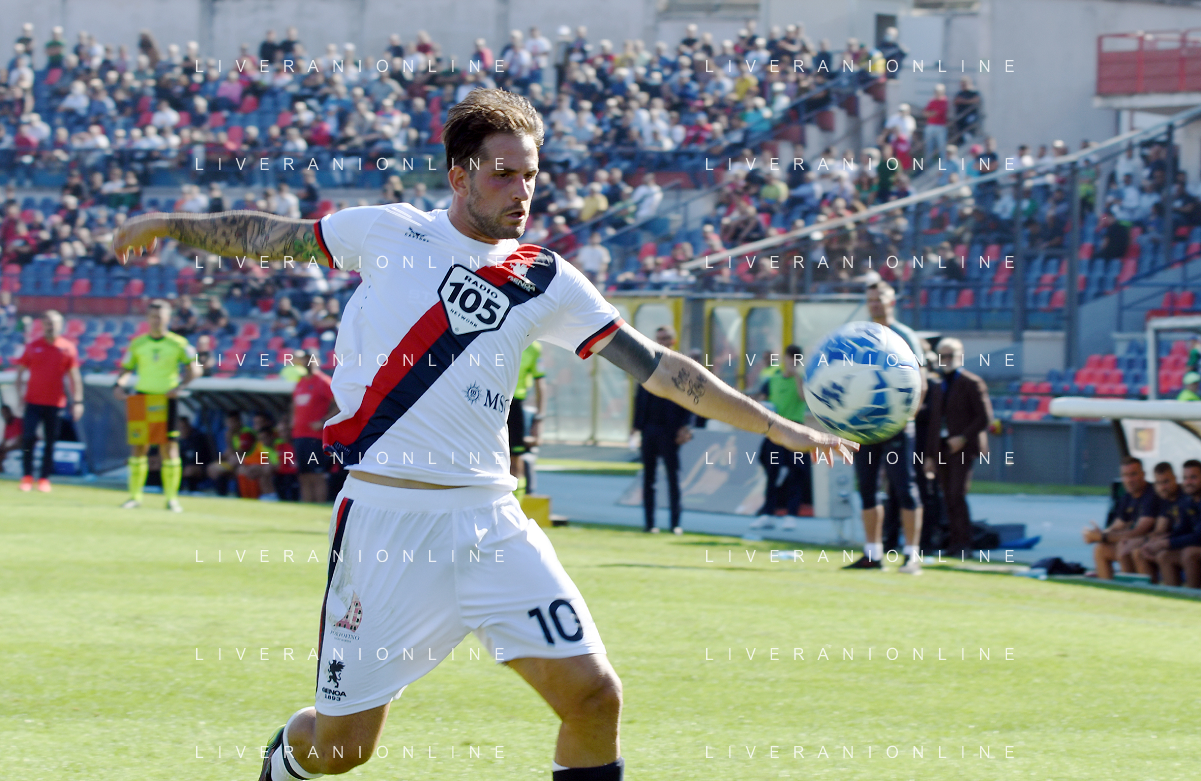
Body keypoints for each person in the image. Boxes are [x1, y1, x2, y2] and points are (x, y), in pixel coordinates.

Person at [112, 86, 856, 781]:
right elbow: (273, 238)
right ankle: (285, 761)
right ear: (459, 175)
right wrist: (172, 225)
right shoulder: (388, 230)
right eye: (504, 174)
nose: (522, 190)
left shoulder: (546, 278)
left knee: (594, 696)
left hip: (491, 521)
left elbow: (659, 368)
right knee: (342, 749)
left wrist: (776, 426)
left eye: (530, 175)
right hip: (387, 522)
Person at [845, 281, 927, 573]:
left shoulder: (904, 336)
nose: (875, 304)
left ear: (892, 301)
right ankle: (873, 553)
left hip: (896, 424)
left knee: (905, 488)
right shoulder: (861, 336)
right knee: (867, 488)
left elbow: (921, 381)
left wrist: (907, 417)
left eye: (879, 298)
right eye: (870, 299)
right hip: (866, 424)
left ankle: (912, 555)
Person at [112, 300, 197, 512]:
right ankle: (135, 497)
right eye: (152, 316)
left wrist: (181, 386)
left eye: (160, 317)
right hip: (142, 398)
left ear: (168, 318)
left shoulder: (179, 343)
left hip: (166, 399)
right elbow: (126, 369)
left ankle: (172, 499)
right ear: (147, 318)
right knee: (139, 447)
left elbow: (195, 369)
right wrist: (119, 385)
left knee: (169, 448)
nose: (156, 320)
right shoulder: (137, 344)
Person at [922, 337, 993, 556]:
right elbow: (934, 422)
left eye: (950, 355)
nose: (946, 359)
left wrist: (963, 437)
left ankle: (964, 543)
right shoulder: (937, 385)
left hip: (963, 448)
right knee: (946, 496)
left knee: (956, 494)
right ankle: (953, 542)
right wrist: (930, 454)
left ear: (960, 356)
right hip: (942, 447)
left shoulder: (971, 382)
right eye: (942, 355)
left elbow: (984, 417)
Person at [631, 326, 694, 534]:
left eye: (665, 338)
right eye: (659, 338)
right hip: (649, 429)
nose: (662, 342)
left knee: (673, 478)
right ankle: (650, 524)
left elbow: (690, 398)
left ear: (673, 341)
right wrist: (636, 426)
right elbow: (640, 398)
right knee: (649, 479)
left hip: (670, 430)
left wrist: (685, 426)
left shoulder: (680, 366)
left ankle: (675, 523)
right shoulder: (646, 363)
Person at [13, 310, 83, 492]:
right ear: (42, 325)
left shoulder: (67, 348)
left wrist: (77, 401)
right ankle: (27, 476)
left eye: (54, 323)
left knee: (50, 442)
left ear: (61, 325)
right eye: (47, 323)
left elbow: (74, 376)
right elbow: (19, 373)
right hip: (33, 401)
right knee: (28, 438)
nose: (50, 326)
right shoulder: (32, 346)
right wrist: (20, 395)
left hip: (55, 403)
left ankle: (44, 478)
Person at [751, 344, 812, 530]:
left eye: (796, 359)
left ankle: (791, 515)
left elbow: (803, 398)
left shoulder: (802, 380)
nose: (792, 361)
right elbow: (760, 400)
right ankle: (768, 513)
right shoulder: (772, 379)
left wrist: (796, 376)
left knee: (796, 473)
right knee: (772, 471)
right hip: (776, 430)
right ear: (784, 358)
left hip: (795, 430)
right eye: (790, 357)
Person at [1084, 457, 1159, 580]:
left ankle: (1136, 588)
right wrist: (1098, 534)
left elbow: (1139, 531)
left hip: (1149, 543)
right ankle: (1107, 588)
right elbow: (1117, 526)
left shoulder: (1151, 495)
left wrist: (1103, 537)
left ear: (1143, 474)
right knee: (1100, 549)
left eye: (1133, 474)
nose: (1129, 480)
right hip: (1130, 544)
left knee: (1125, 548)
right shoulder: (1127, 497)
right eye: (1125, 475)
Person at [1136, 460, 1200, 585]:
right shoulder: (1189, 501)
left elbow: (1198, 536)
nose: (1188, 482)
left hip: (1196, 546)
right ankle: (1168, 594)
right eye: (1185, 478)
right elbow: (1183, 529)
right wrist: (1157, 543)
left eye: (1193, 477)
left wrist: (1166, 543)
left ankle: (1192, 595)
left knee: (1189, 553)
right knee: (1164, 555)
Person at [291, 349, 337, 503]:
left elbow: (339, 404)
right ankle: (307, 506)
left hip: (315, 437)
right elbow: (294, 405)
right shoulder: (301, 382)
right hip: (299, 435)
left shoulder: (323, 381)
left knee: (317, 474)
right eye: (303, 359)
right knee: (303, 475)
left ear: (316, 360)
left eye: (308, 358)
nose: (305, 362)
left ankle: (319, 505)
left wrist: (323, 421)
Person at [509, 341, 547, 494]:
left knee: (515, 460)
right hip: (490, 403)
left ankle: (517, 503)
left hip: (515, 406)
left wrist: (539, 420)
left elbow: (540, 384)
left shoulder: (534, 347)